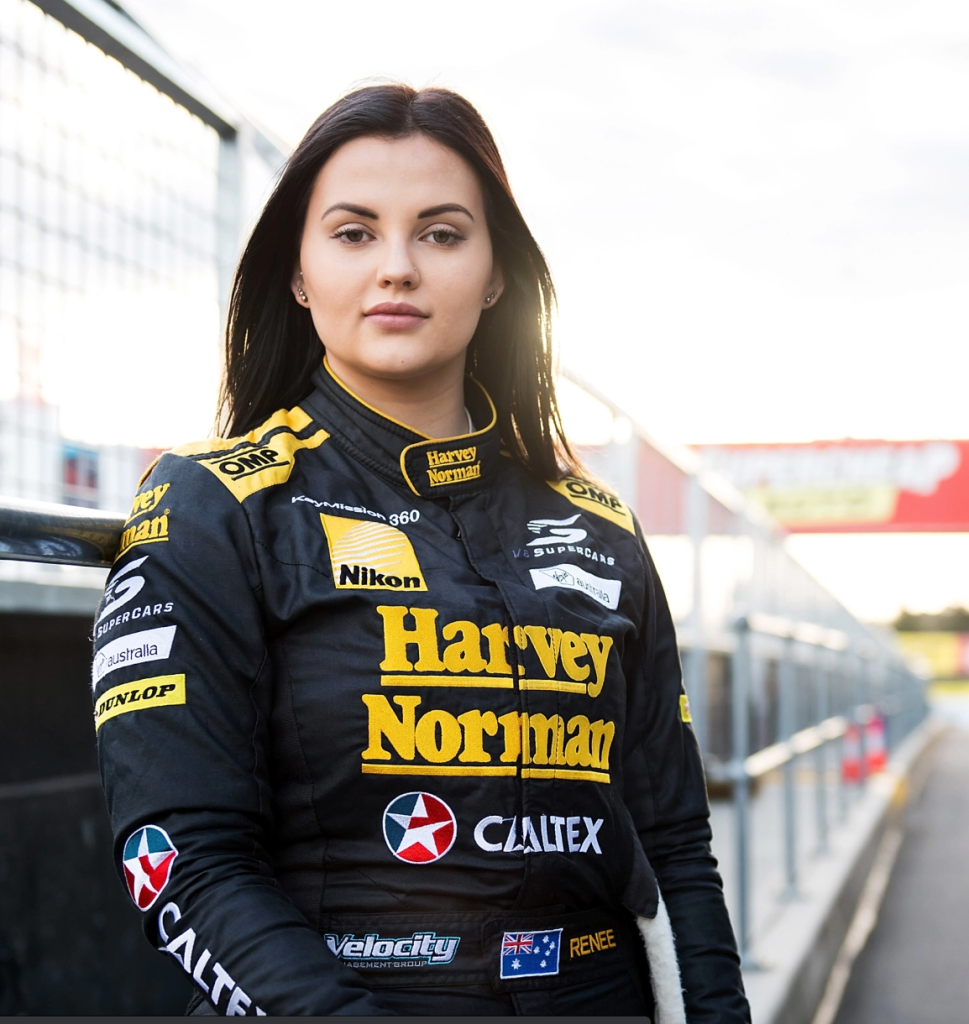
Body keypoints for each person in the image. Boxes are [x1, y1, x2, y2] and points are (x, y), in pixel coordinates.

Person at [92, 84, 750, 1020]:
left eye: (441, 234)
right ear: (297, 272)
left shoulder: (599, 523)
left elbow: (675, 843)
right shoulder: (214, 501)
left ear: (495, 274)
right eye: (353, 233)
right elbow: (181, 860)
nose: (396, 268)